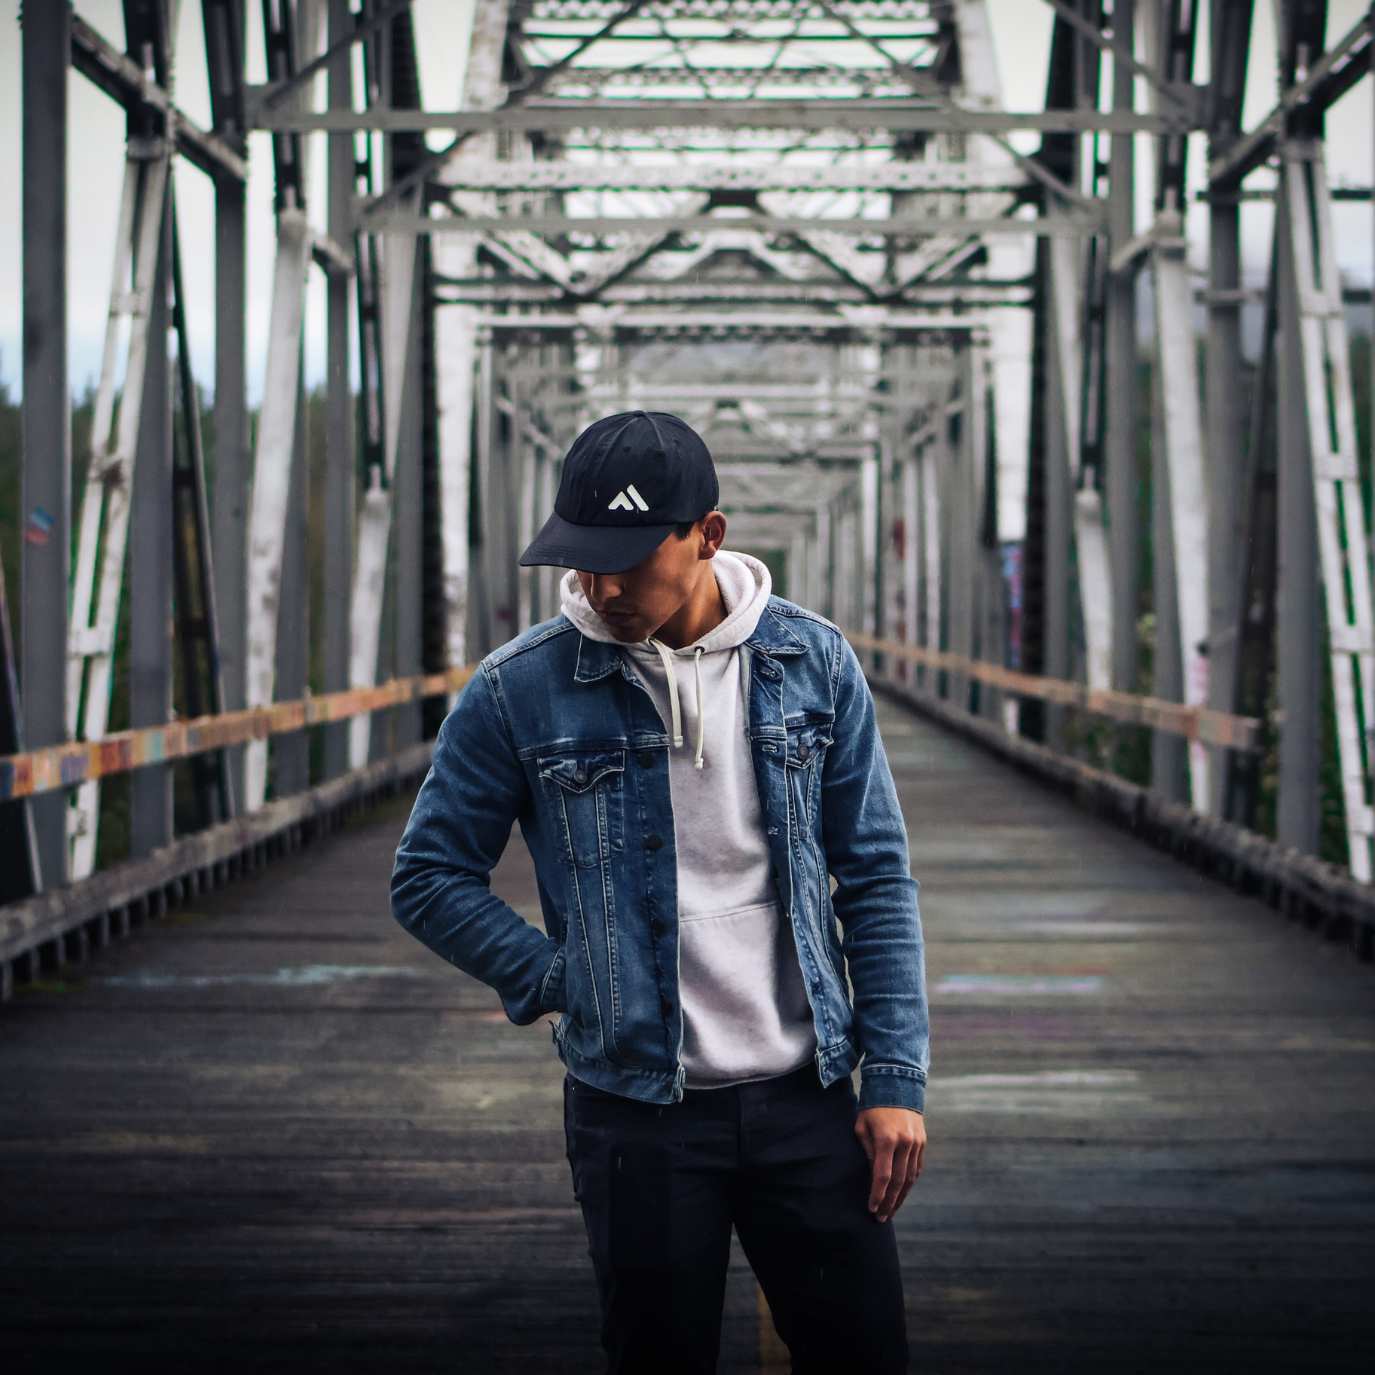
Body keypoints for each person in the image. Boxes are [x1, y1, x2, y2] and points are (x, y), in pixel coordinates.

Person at [390, 410, 930, 1374]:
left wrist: (893, 1076)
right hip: (633, 1108)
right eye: (582, 559)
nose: (602, 586)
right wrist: (563, 975)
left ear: (707, 536)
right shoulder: (522, 687)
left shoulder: (814, 663)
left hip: (806, 1096)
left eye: (630, 560)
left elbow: (876, 876)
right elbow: (428, 876)